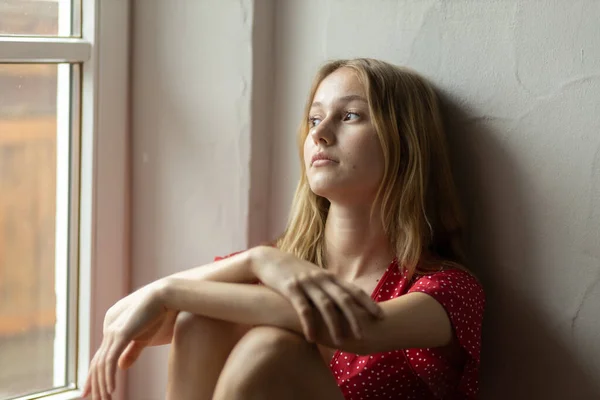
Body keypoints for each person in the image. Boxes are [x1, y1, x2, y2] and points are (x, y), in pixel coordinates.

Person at [83, 58, 485, 400]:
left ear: (405, 142)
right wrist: (261, 260)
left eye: (349, 116)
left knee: (270, 346)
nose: (320, 132)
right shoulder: (281, 263)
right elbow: (121, 318)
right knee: (200, 320)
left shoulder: (446, 289)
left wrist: (172, 291)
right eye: (314, 118)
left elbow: (357, 328)